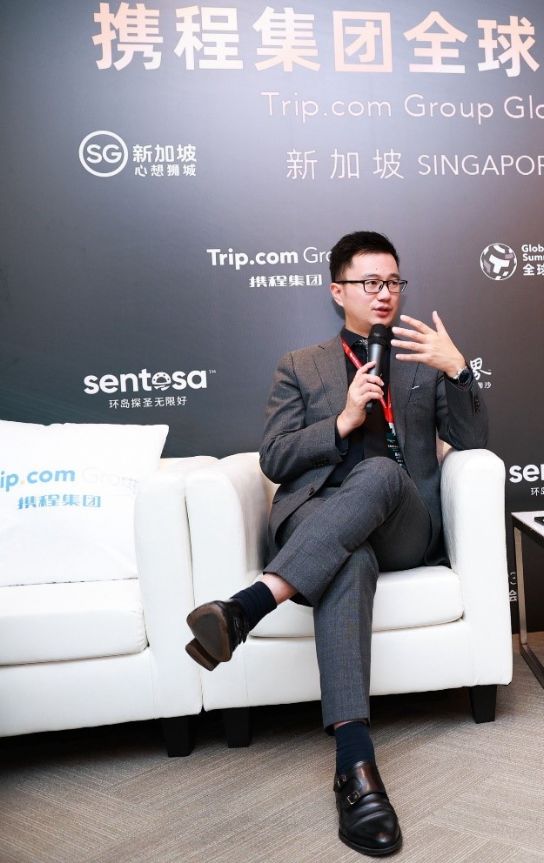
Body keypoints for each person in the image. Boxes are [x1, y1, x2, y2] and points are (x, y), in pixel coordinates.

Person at [183, 230, 487, 856]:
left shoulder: (422, 363)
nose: (384, 294)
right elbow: (274, 458)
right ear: (337, 290)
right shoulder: (301, 365)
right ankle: (355, 765)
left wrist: (458, 370)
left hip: (404, 525)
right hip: (318, 518)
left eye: (393, 282)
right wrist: (343, 421)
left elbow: (475, 444)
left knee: (381, 474)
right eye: (370, 282)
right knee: (348, 561)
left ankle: (251, 604)